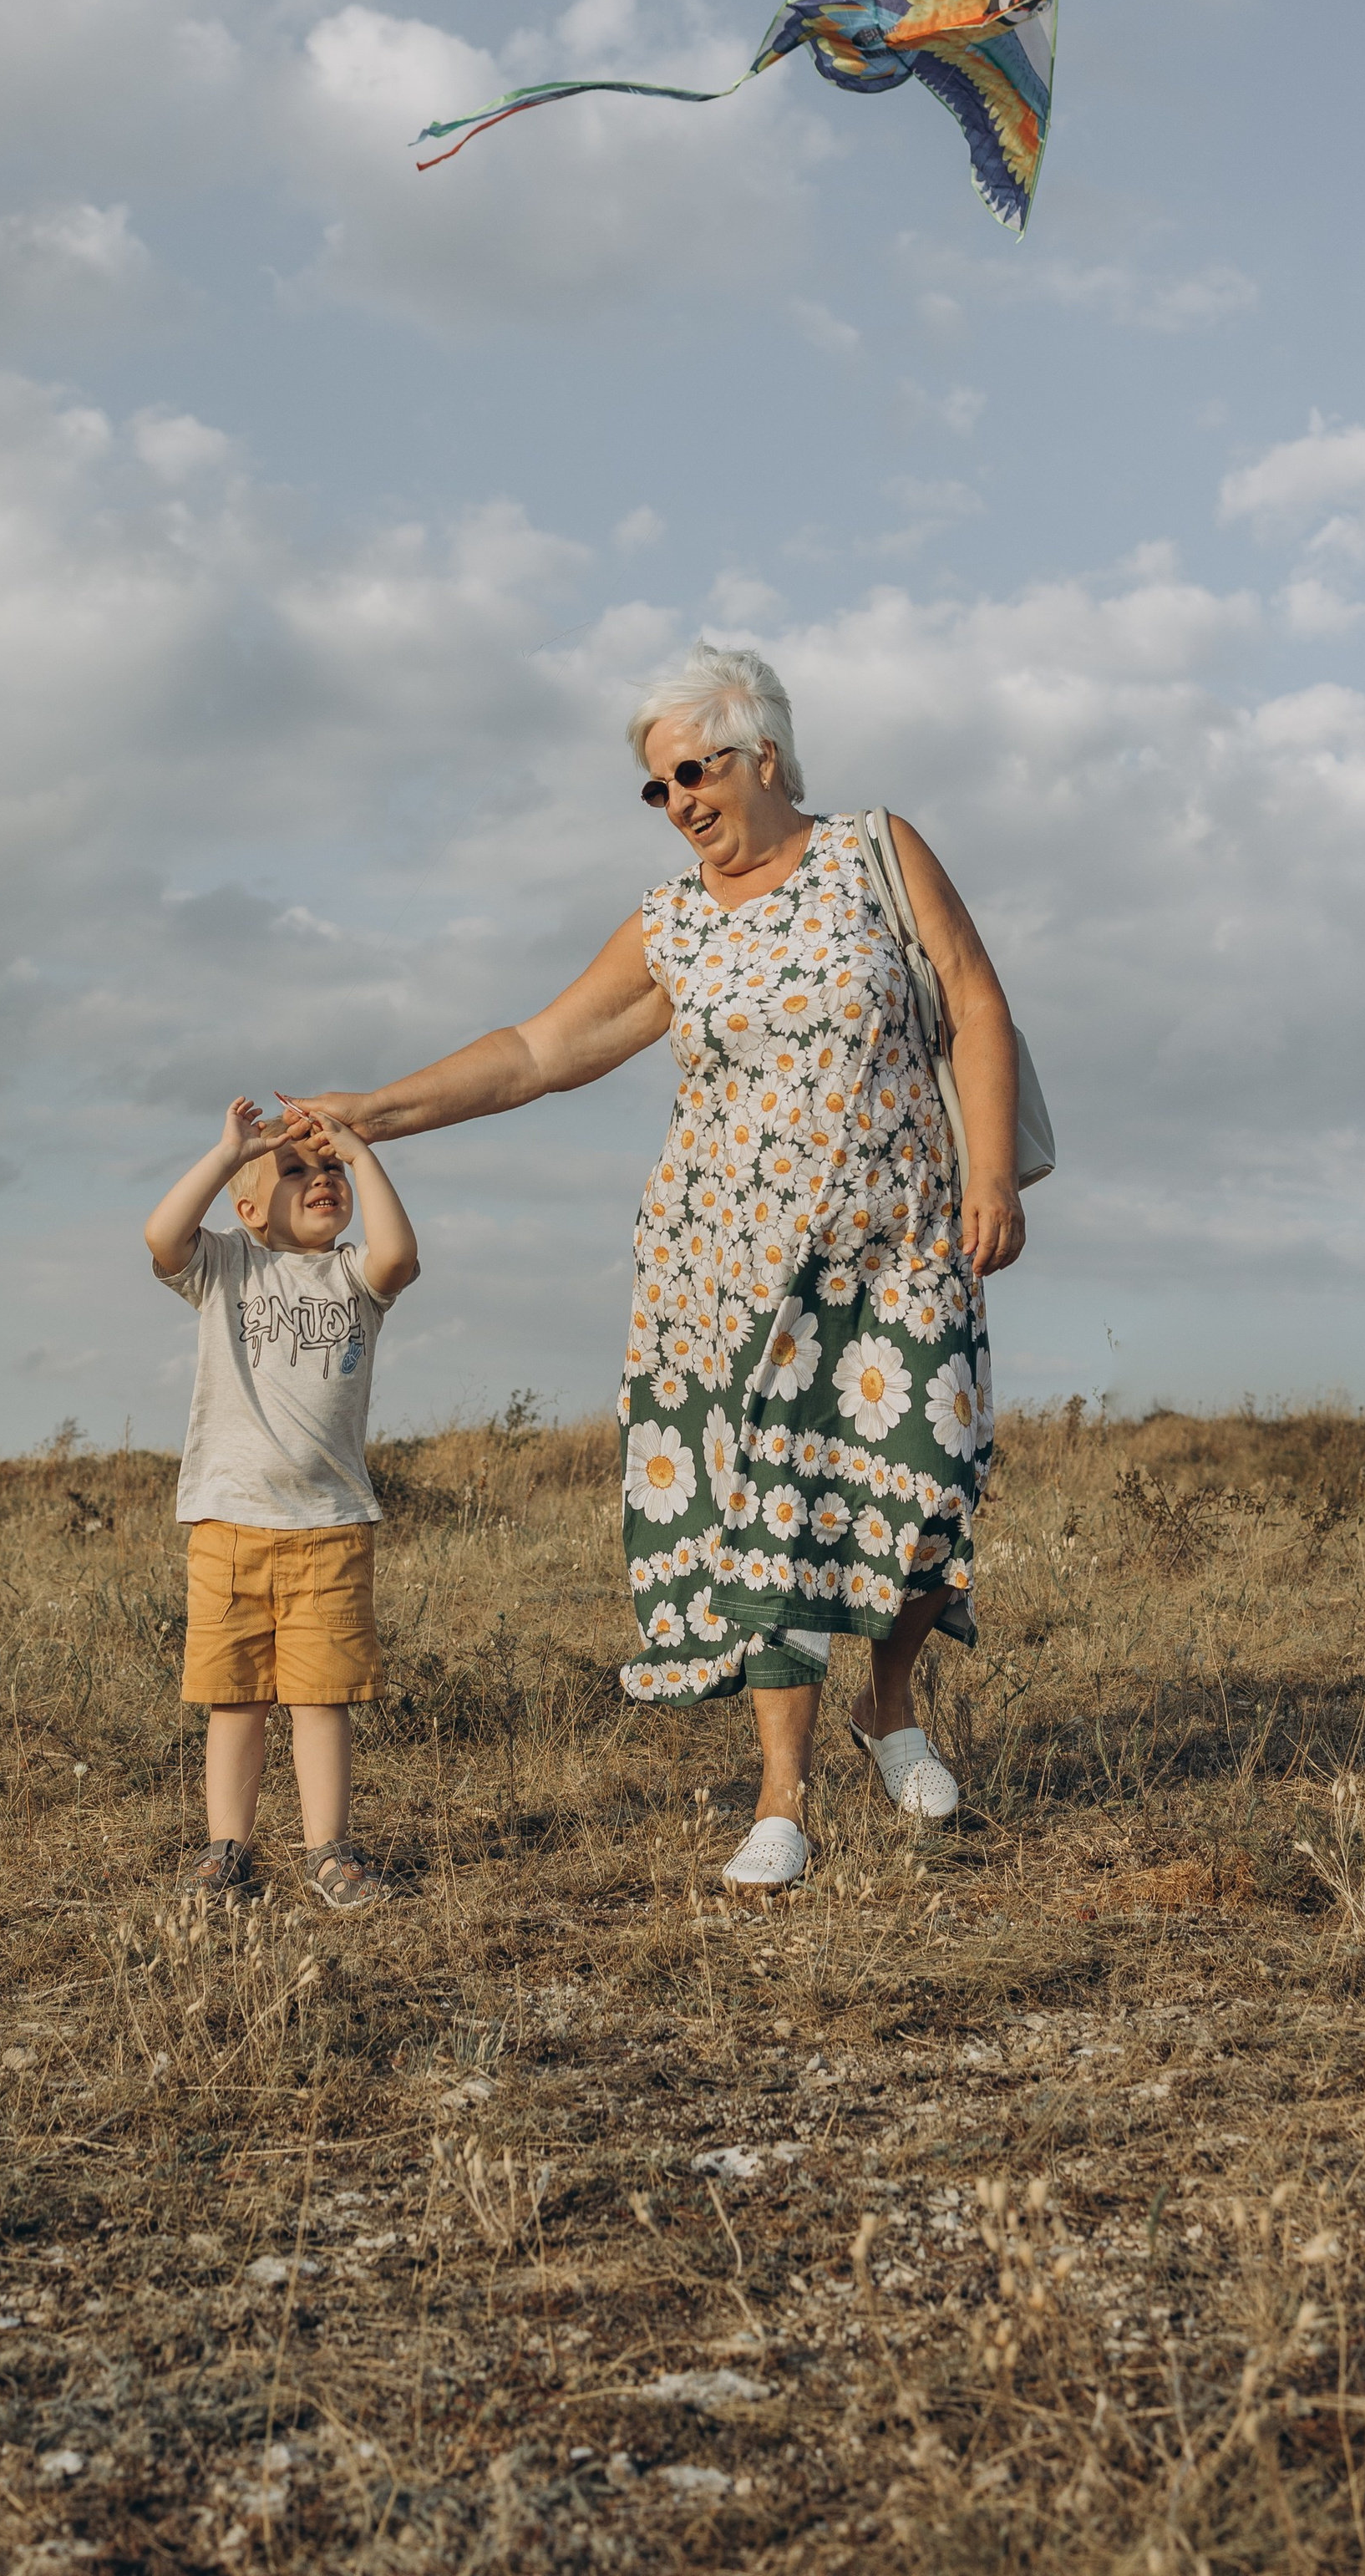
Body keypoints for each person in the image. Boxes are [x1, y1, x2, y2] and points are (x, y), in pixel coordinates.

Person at [282, 642, 1026, 1898]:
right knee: (771, 1517)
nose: (678, 801)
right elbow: (536, 1051)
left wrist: (993, 1173)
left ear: (762, 757)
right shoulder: (673, 920)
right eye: (656, 787)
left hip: (898, 1244)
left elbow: (972, 998)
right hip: (727, 1270)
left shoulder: (875, 853)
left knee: (930, 1473)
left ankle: (889, 1703)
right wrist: (378, 1108)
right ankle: (782, 1801)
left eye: (693, 771)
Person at [144, 1098, 419, 1910]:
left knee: (318, 1699)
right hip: (229, 1524)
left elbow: (401, 1254)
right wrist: (230, 1153)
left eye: (329, 1170)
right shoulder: (226, 1266)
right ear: (248, 1204)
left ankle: (329, 1852)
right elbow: (162, 1237)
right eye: (295, 1171)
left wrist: (362, 1153)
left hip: (330, 1528)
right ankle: (226, 1849)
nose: (321, 1179)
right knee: (234, 1701)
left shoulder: (353, 1275)